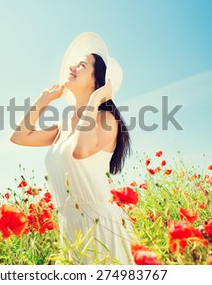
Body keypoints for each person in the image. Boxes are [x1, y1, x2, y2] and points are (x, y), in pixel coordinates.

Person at [10, 32, 133, 264]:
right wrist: (43, 99)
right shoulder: (63, 125)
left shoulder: (105, 119)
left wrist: (95, 100)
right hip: (70, 227)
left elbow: (80, 150)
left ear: (96, 82)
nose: (73, 67)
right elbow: (19, 137)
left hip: (99, 227)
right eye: (75, 63)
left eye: (82, 65)